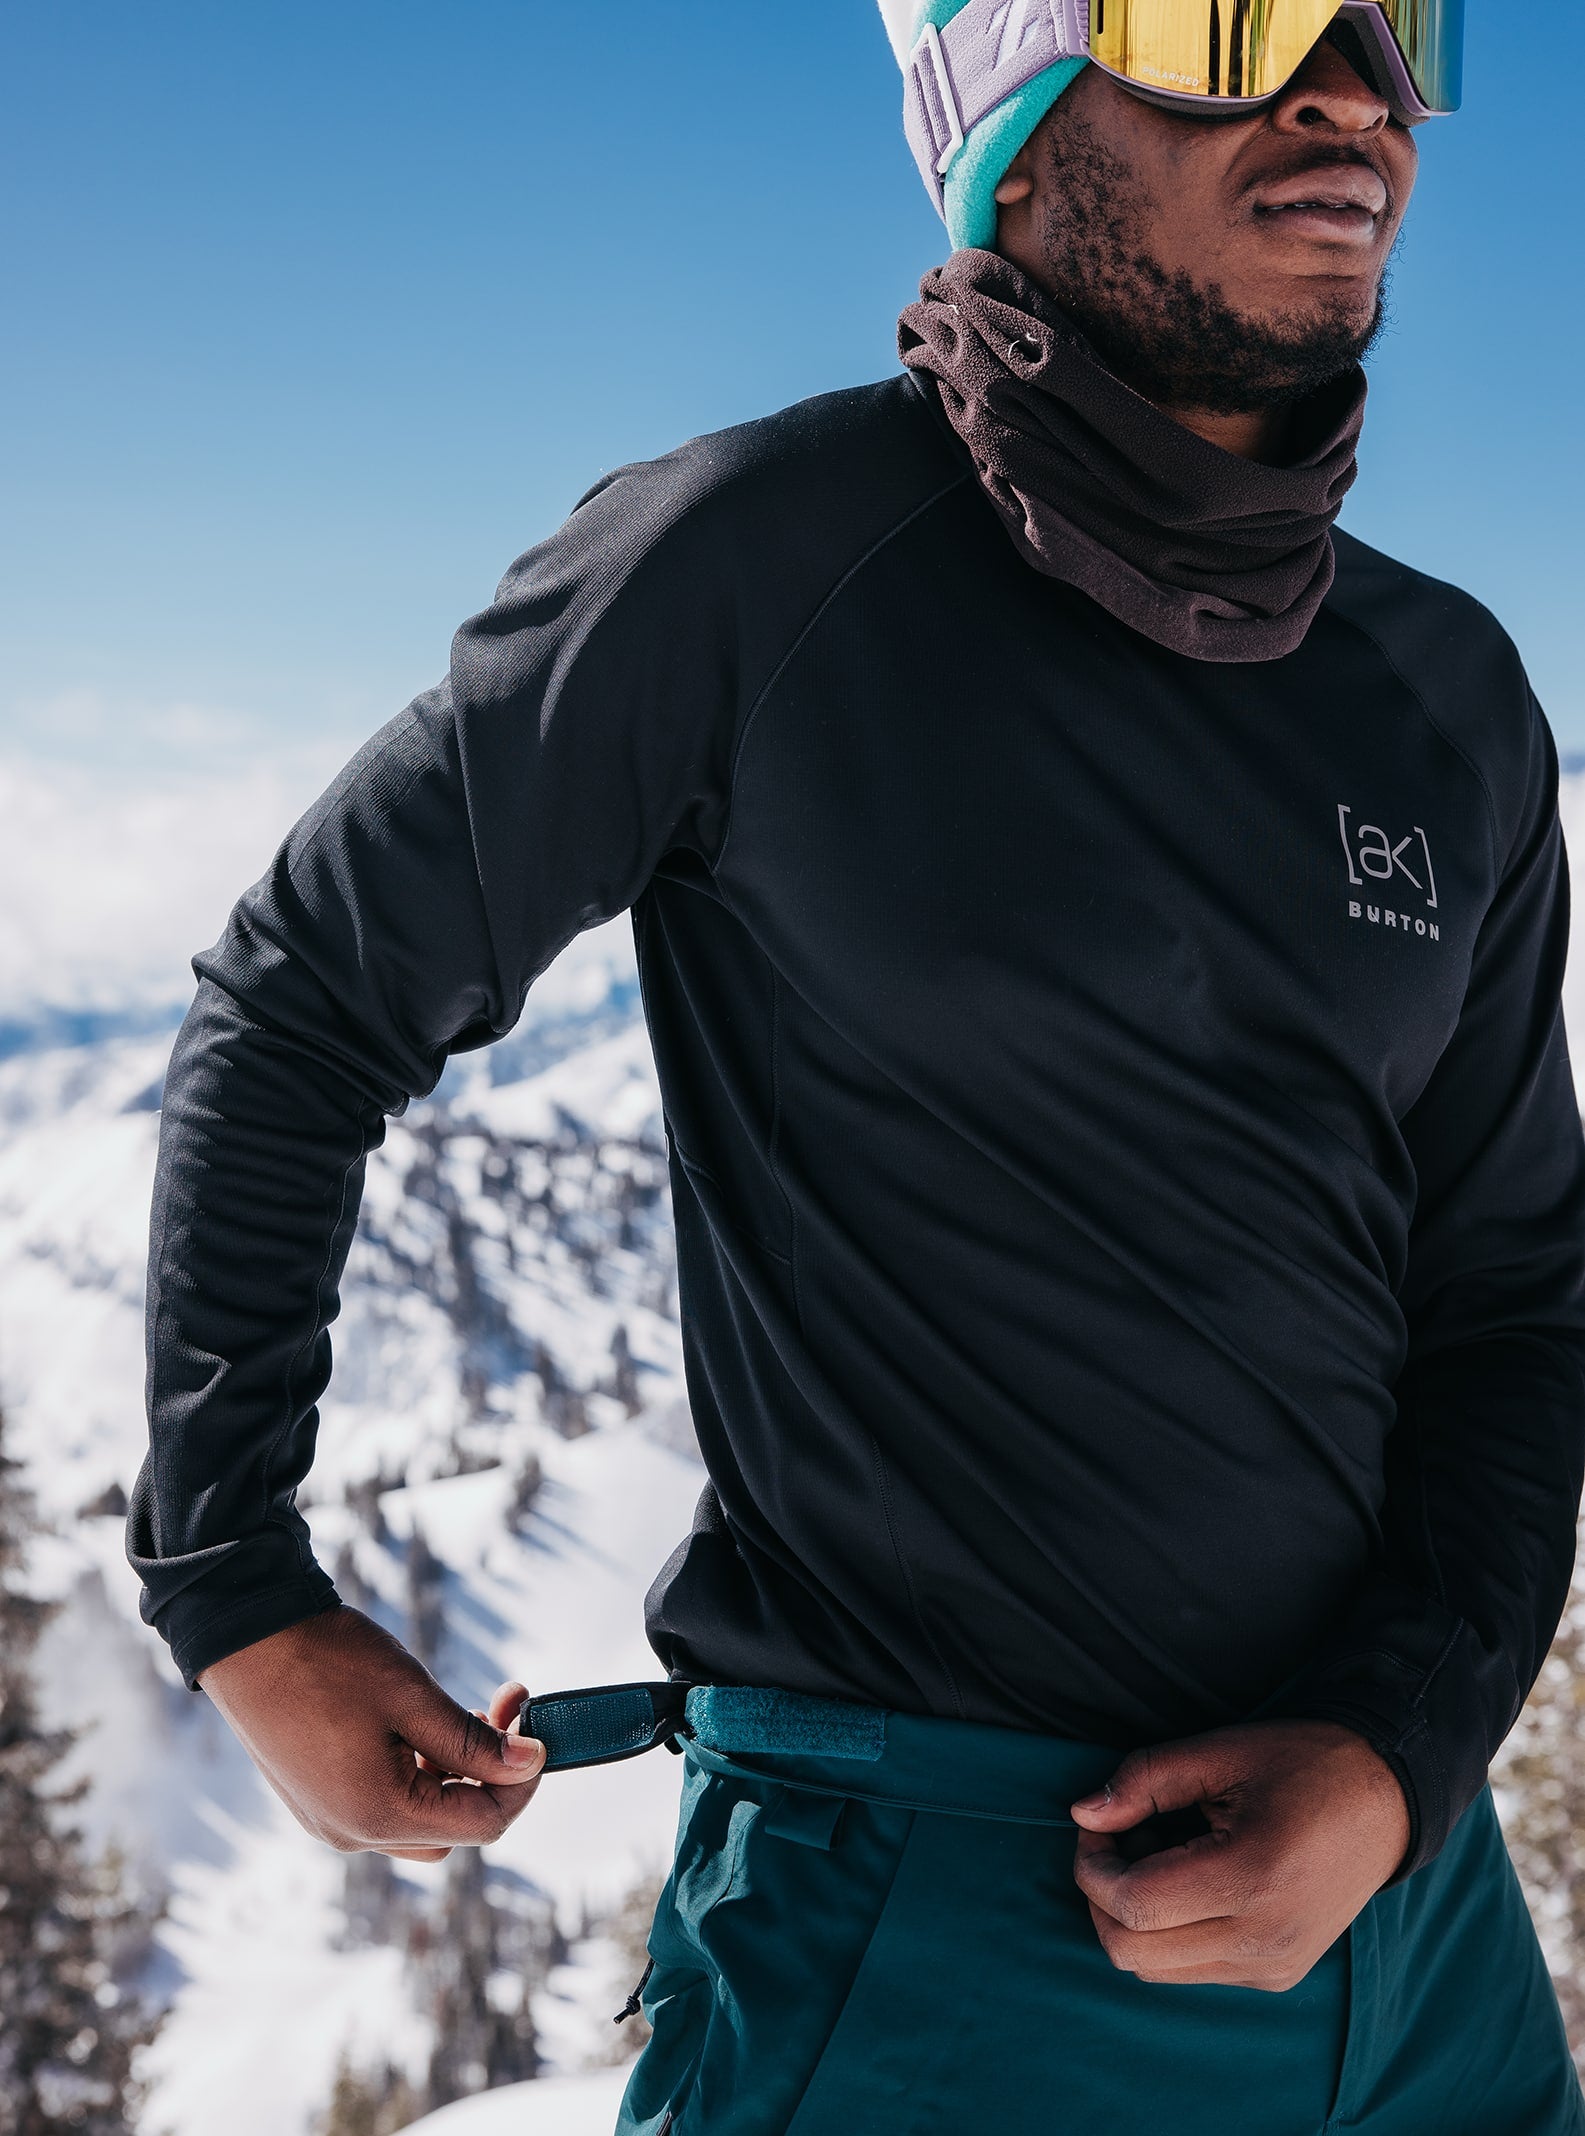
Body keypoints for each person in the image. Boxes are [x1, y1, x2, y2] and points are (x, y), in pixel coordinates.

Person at [129, 2, 1585, 2128]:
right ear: (1014, 125)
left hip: (1423, 1943)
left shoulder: (1446, 693)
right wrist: (237, 1588)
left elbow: (1510, 1293)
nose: (1347, 83)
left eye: (1406, 18)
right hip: (931, 1937)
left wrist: (1396, 1754)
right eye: (1225, 13)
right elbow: (303, 998)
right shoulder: (753, 562)